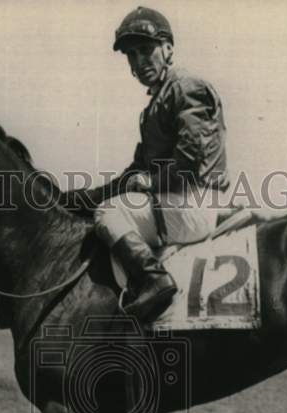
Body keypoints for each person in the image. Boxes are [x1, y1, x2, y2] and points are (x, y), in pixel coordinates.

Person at [71, 6, 230, 322]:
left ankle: (154, 281)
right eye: (131, 54)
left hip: (193, 202)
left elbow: (190, 164)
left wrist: (149, 183)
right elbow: (133, 172)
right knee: (101, 206)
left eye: (146, 50)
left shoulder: (186, 87)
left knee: (109, 212)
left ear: (168, 48)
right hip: (174, 202)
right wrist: (78, 199)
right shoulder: (155, 104)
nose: (139, 61)